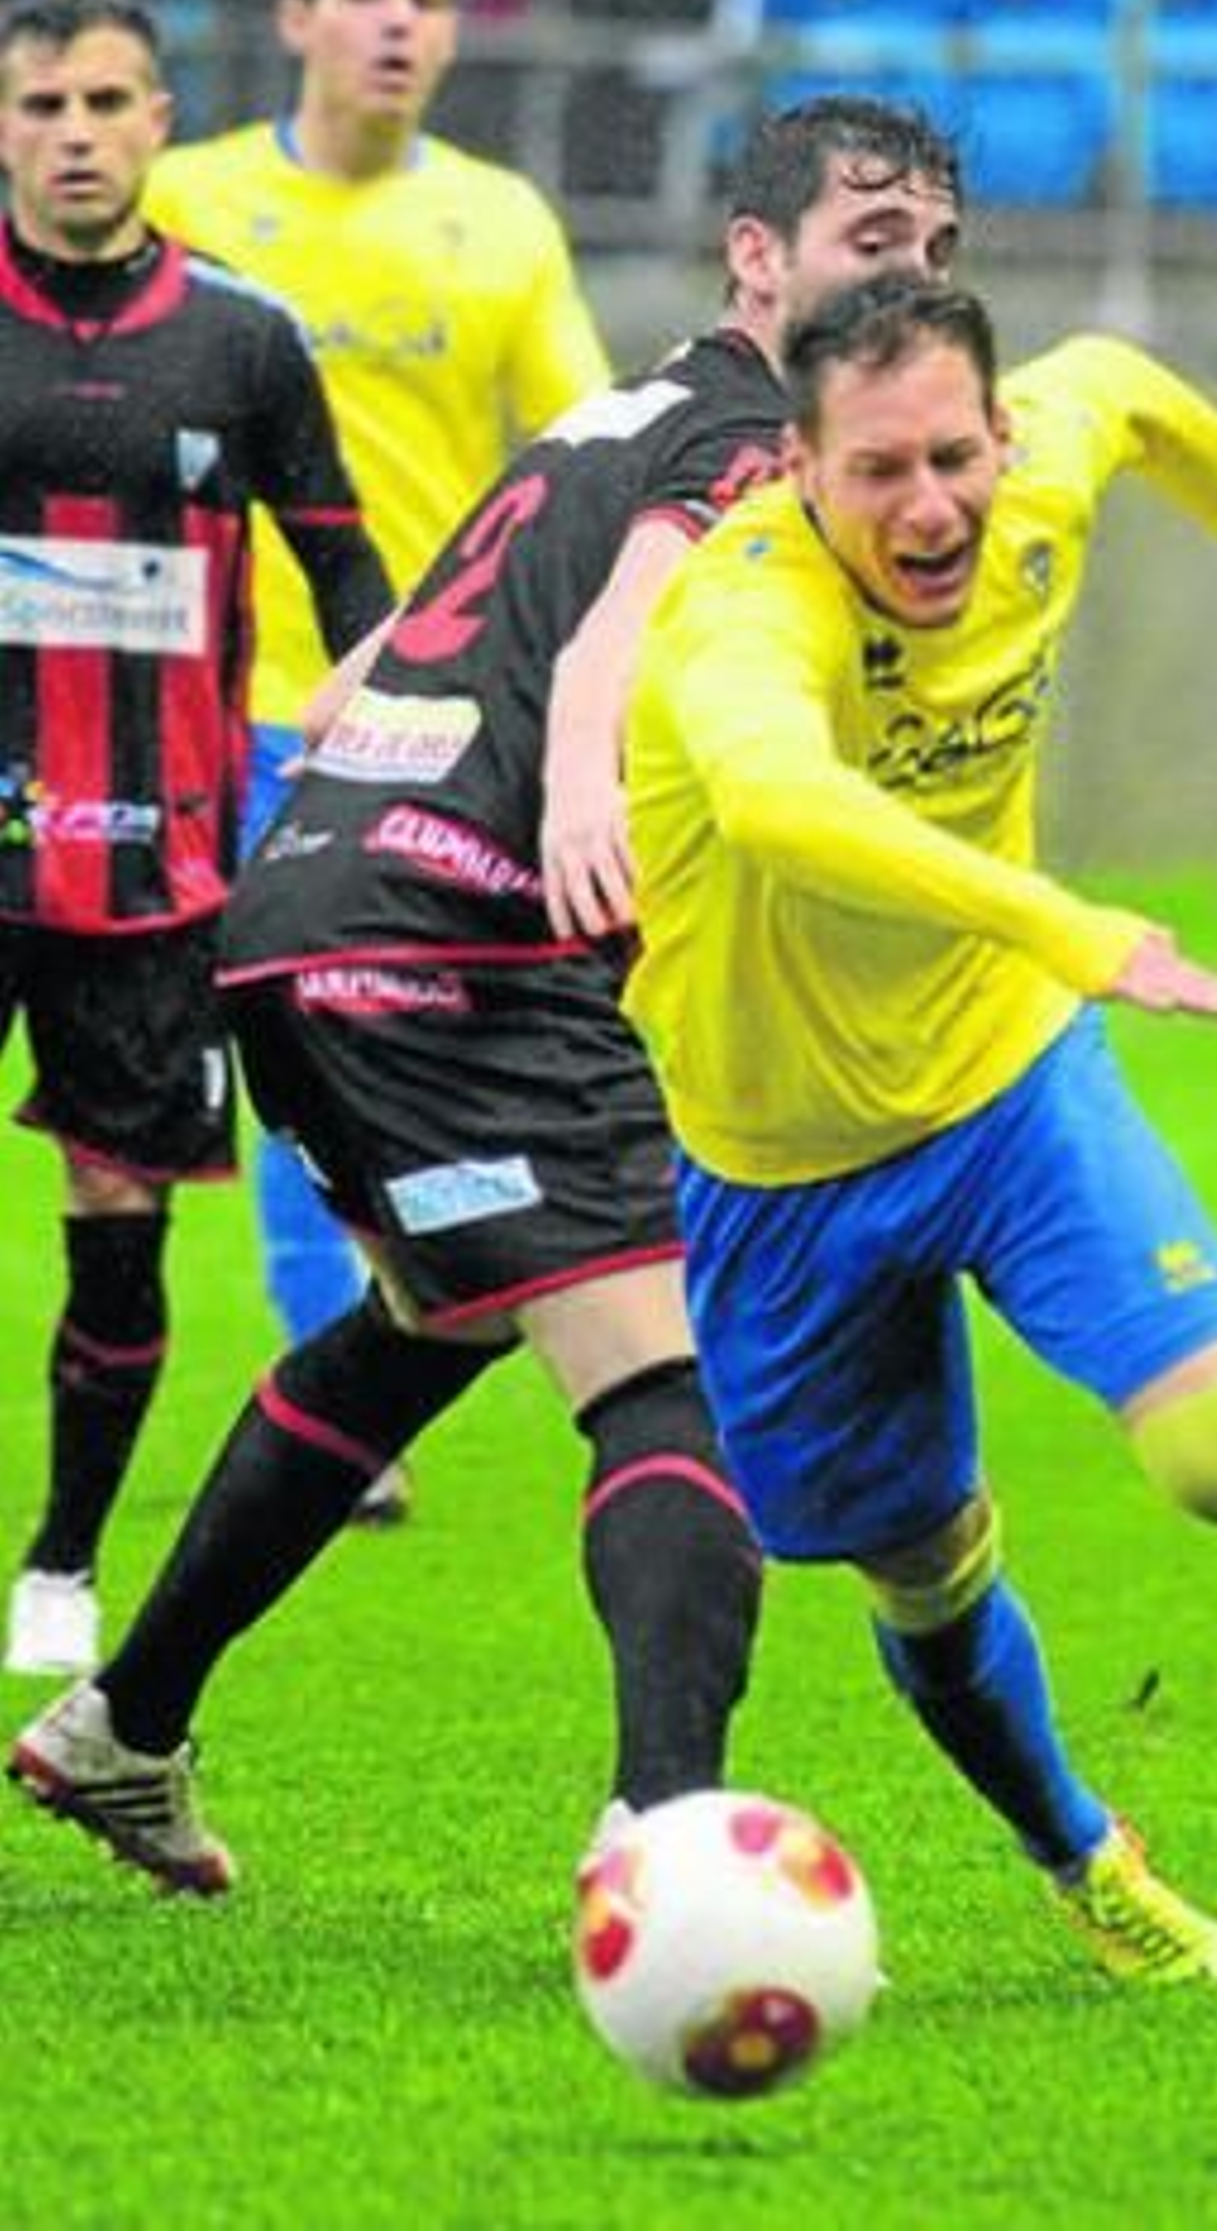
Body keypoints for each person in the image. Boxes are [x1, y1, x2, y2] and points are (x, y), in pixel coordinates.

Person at [6, 99, 965, 1894]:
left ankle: (119, 1729)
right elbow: (621, 629)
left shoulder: (615, 412)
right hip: (456, 946)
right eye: (871, 236)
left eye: (936, 248)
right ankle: (666, 1836)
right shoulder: (756, 443)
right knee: (680, 1385)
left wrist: (324, 845)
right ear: (756, 256)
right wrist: (582, 787)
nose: (909, 272)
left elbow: (391, 642)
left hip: (313, 915)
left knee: (428, 1323)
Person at [614, 275, 1217, 1986]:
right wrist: (1068, 923)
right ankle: (1086, 1860)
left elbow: (1129, 382)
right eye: (881, 472)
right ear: (793, 475)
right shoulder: (741, 616)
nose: (934, 507)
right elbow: (777, 801)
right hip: (777, 1167)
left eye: (958, 457)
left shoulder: (1039, 463)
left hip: (1006, 1081)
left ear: (997, 433)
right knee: (918, 1576)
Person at [145, 0, 612, 1521]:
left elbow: (582, 447)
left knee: (351, 1040)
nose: (400, 22)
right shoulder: (189, 200)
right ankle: (345, 1370)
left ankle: (399, 1347)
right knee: (268, 1047)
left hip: (411, 716)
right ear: (294, 17)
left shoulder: (497, 222)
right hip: (197, 698)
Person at [0, 0, 391, 1678]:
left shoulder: (243, 340)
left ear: (162, 120)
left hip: (152, 867)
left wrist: (380, 750)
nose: (74, 135)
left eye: (105, 102)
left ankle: (65, 1564)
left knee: (119, 1215)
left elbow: (351, 575)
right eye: (40, 107)